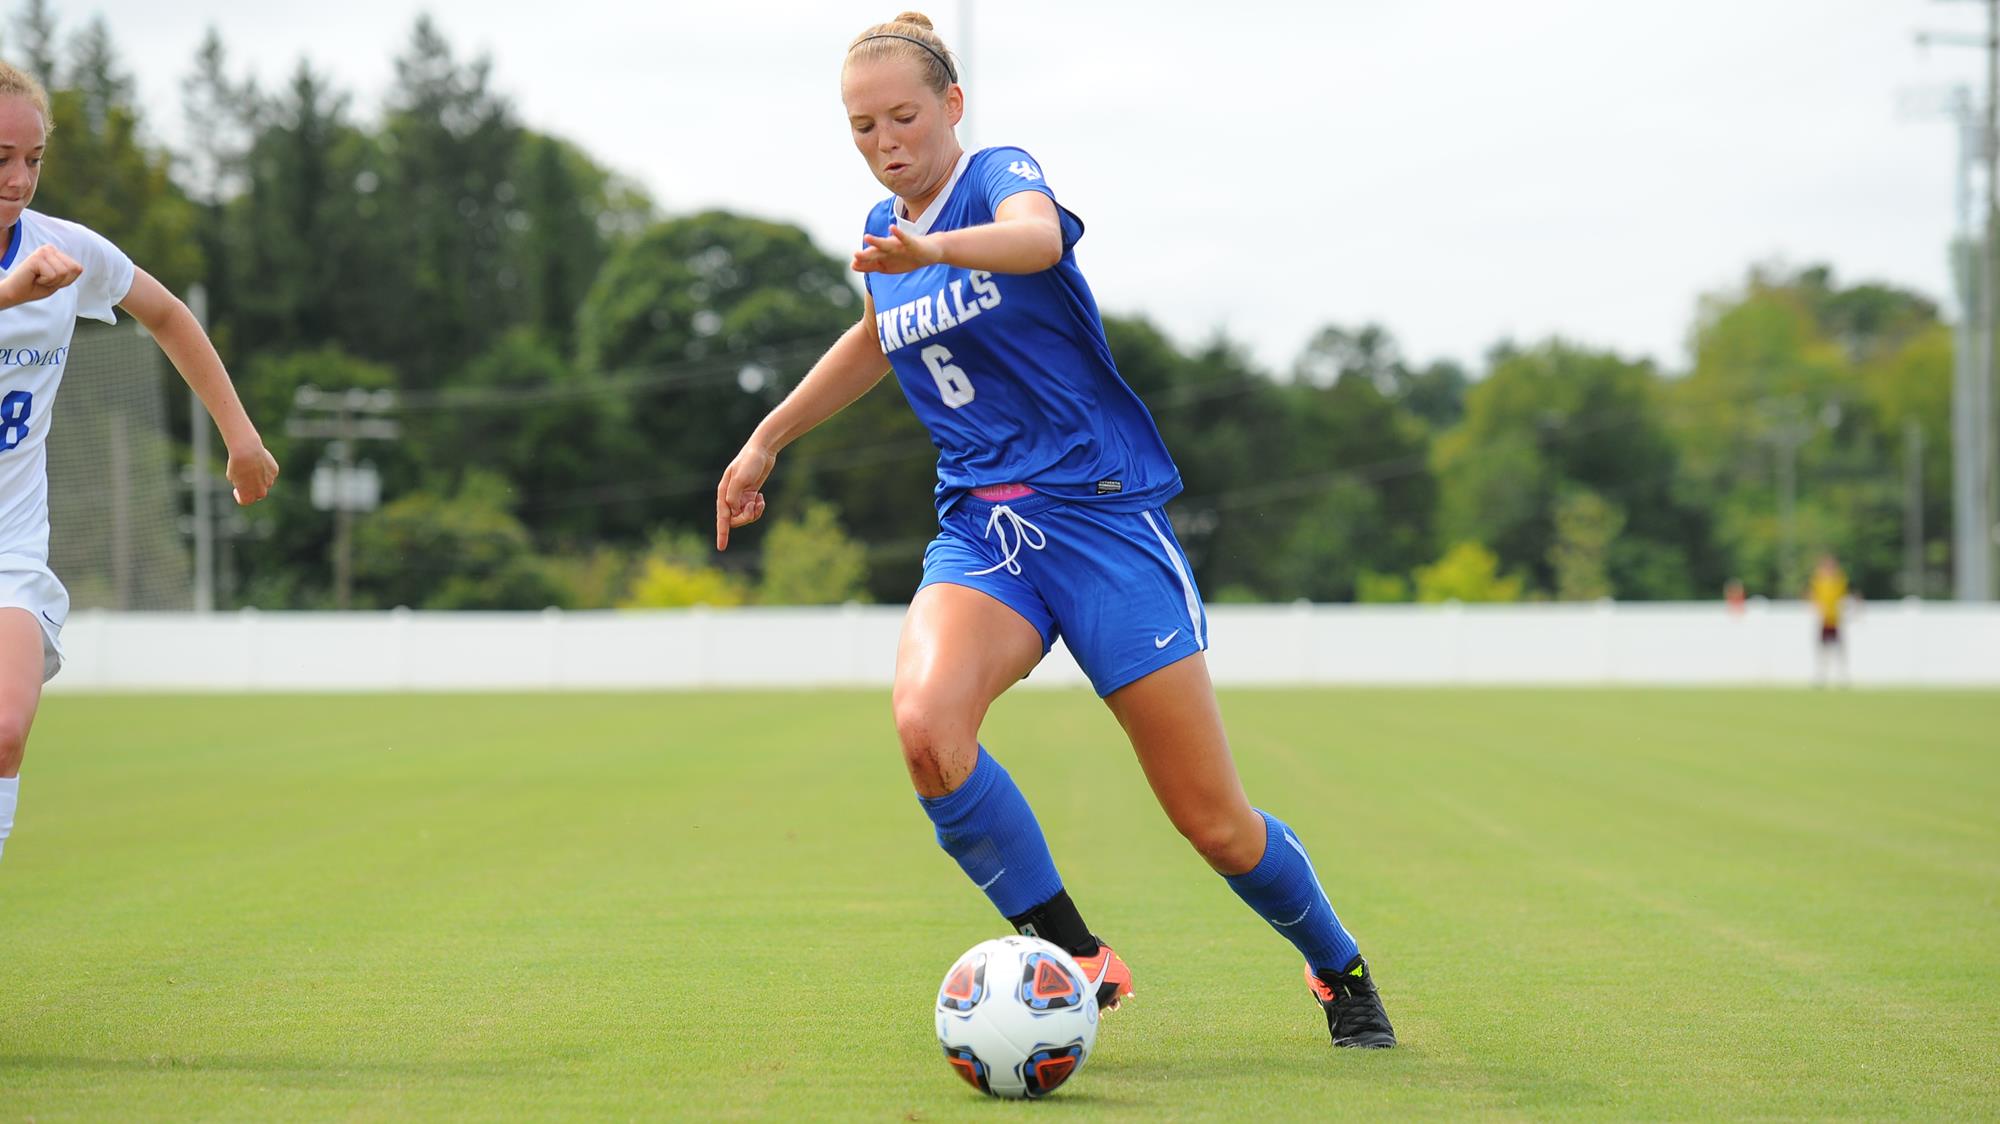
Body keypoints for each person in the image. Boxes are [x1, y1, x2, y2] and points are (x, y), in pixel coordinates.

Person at [714, 13, 1394, 1049]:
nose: (885, 141)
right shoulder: (881, 238)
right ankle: (1074, 953)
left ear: (951, 105)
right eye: (861, 127)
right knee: (925, 730)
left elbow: (1037, 238)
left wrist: (931, 243)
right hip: (984, 531)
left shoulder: (992, 179)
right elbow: (870, 336)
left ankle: (1335, 963)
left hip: (1100, 522)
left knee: (1213, 822)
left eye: (903, 115)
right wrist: (764, 439)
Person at [0, 63, 279, 865]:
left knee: (7, 728)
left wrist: (241, 435)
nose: (19, 179)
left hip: (11, 551)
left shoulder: (65, 250)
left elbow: (164, 312)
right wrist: (11, 296)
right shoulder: (28, 279)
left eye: (35, 158)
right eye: (0, 157)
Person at [1808, 554, 1850, 688]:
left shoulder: (1839, 579)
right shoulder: (1818, 580)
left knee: (1839, 650)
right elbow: (1813, 596)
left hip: (1836, 619)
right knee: (1822, 650)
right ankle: (1821, 676)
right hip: (1823, 619)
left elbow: (1844, 596)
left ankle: (1842, 677)